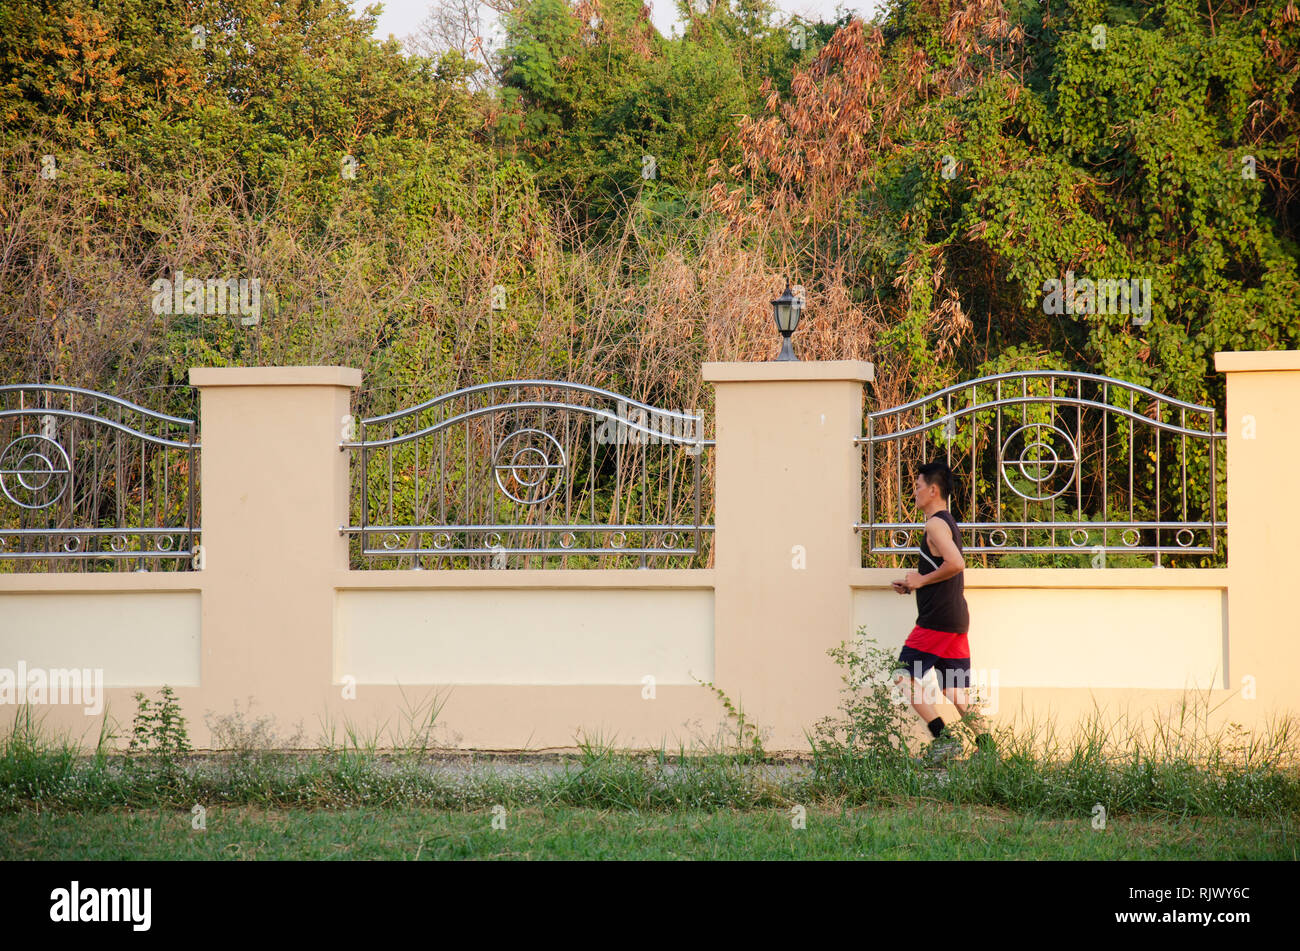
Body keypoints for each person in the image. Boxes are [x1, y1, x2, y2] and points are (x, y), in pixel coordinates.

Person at [890, 460, 995, 764]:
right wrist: (914, 584)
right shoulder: (947, 522)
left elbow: (956, 563)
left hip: (937, 619)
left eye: (918, 487)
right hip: (955, 618)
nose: (915, 493)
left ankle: (944, 740)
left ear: (933, 490)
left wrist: (920, 580)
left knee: (902, 675)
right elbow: (946, 567)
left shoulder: (935, 524)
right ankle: (988, 752)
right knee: (955, 689)